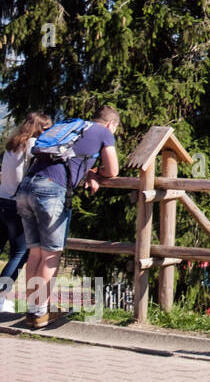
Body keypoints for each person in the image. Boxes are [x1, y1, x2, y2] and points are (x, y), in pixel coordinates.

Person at [18, 106, 120, 329]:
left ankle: (33, 310)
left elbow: (69, 159)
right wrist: (98, 174)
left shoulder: (72, 127)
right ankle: (41, 313)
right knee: (50, 254)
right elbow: (113, 170)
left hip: (26, 186)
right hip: (51, 190)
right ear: (111, 124)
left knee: (35, 253)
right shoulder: (104, 132)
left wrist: (88, 172)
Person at [0, 112, 52, 314]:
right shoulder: (33, 145)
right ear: (40, 128)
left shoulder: (12, 144)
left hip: (2, 200)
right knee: (19, 253)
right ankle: (1, 296)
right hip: (17, 204)